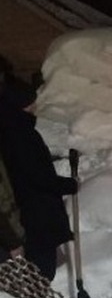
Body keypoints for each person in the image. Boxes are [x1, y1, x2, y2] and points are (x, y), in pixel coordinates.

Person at [0, 79, 76, 280]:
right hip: (36, 212)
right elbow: (36, 175)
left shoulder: (9, 129)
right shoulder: (21, 134)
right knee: (41, 269)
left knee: (36, 265)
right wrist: (67, 185)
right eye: (31, 102)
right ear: (21, 105)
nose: (35, 106)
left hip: (25, 210)